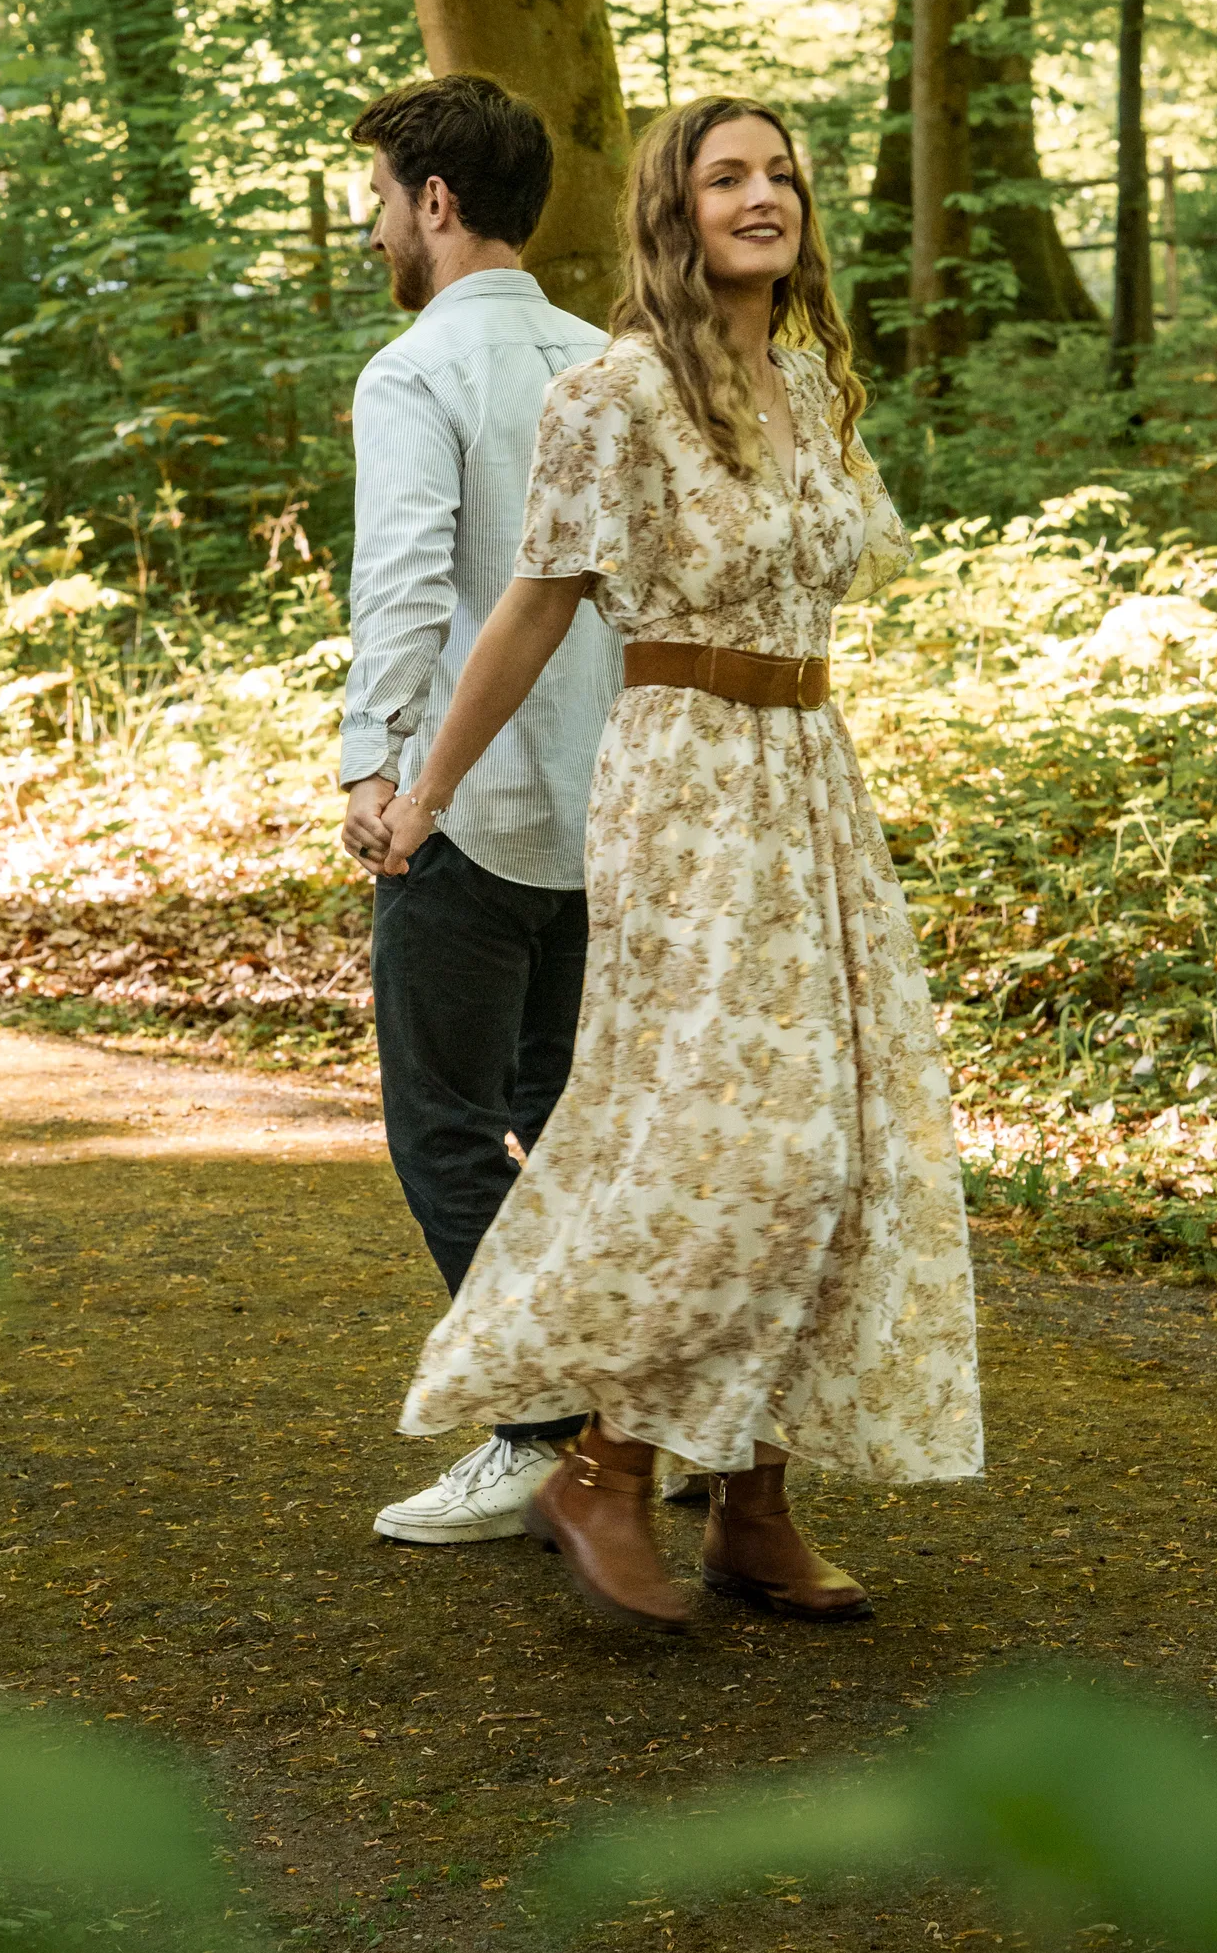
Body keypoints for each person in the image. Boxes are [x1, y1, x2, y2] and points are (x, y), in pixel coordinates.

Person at [377, 96, 984, 1632]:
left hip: (809, 783)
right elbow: (528, 606)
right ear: (677, 211)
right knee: (737, 1144)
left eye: (781, 173)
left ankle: (759, 1513)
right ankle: (606, 1459)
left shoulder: (812, 388)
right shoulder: (614, 393)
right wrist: (425, 791)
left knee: (841, 1148)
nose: (764, 194)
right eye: (729, 176)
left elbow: (839, 573)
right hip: (686, 778)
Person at [338, 73, 622, 1545]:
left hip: (463, 809)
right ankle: (620, 1442)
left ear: (436, 204)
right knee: (567, 1125)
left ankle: (541, 1432)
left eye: (381, 197)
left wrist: (373, 772)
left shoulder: (416, 372)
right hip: (614, 803)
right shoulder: (611, 363)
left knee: (446, 1129)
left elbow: (404, 587)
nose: (376, 225)